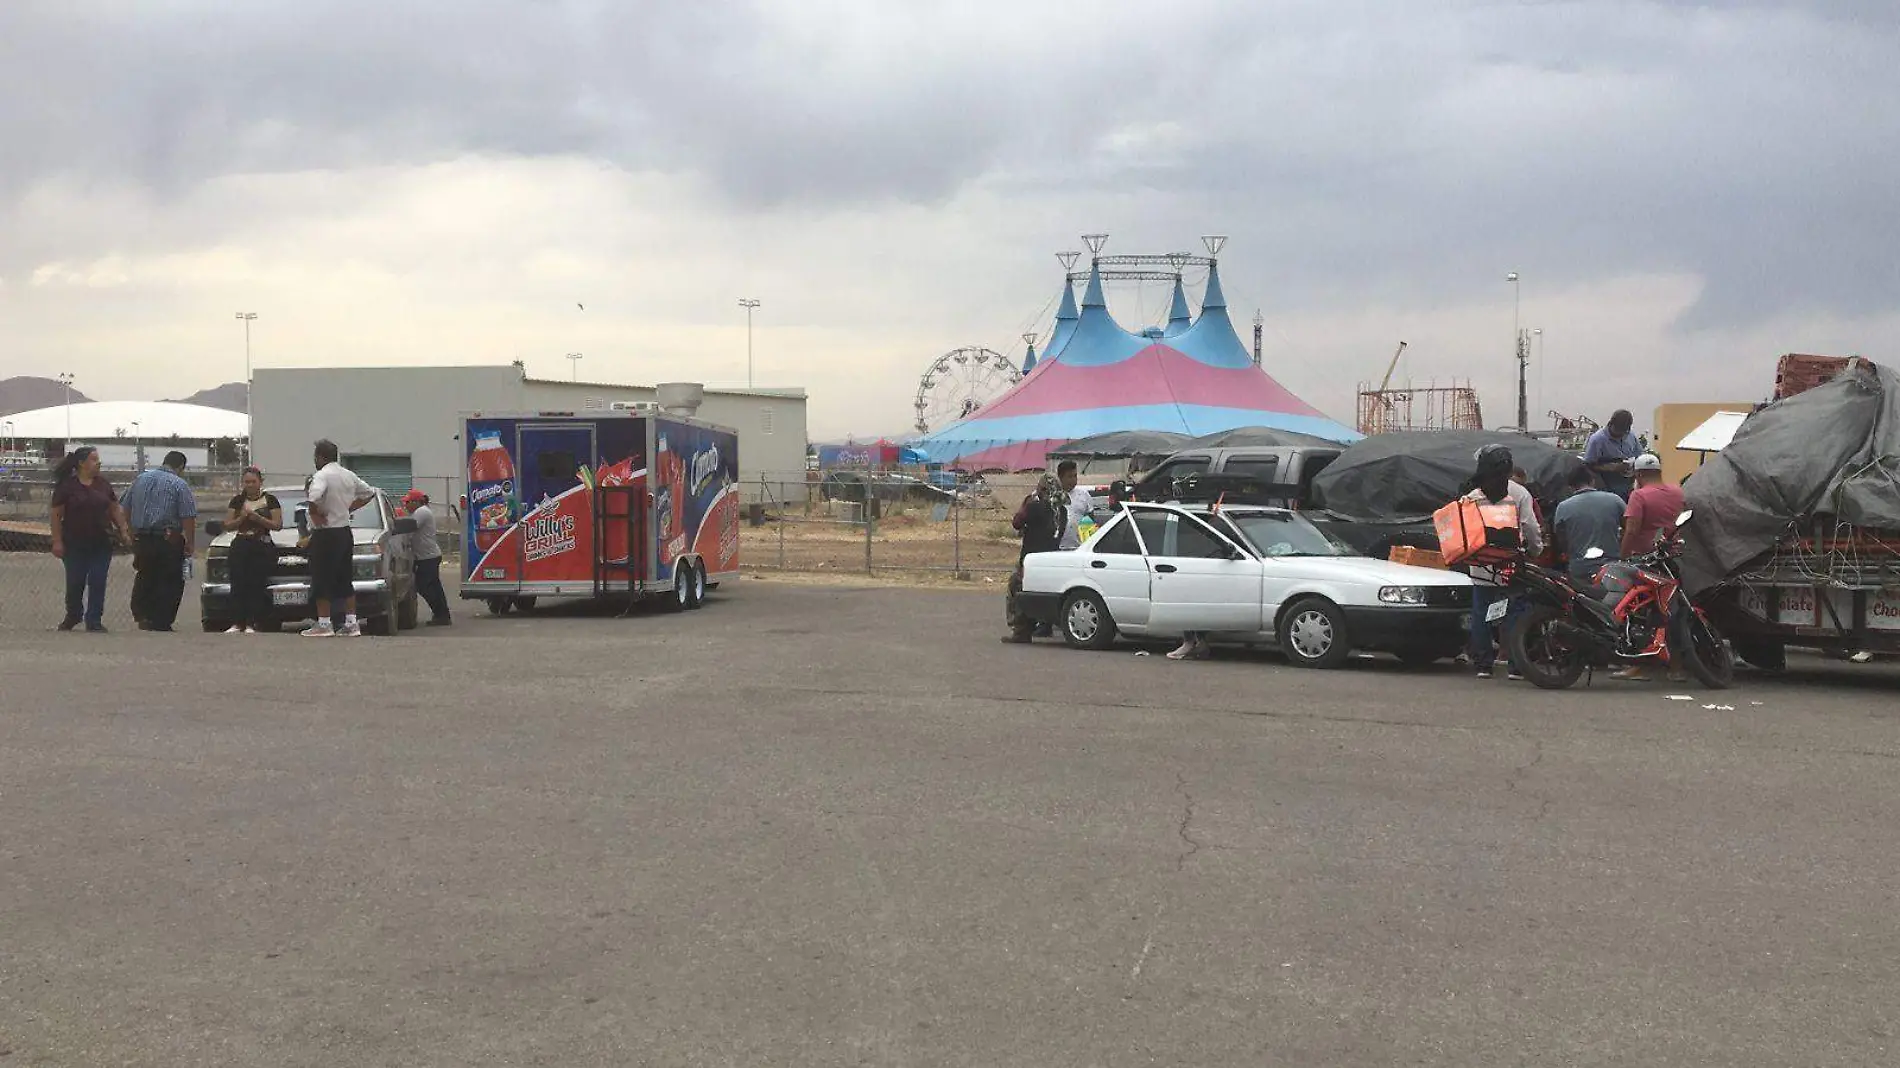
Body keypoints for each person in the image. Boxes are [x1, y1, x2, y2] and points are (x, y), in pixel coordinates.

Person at [1462, 444, 1543, 680]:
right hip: (1511, 564)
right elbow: (1530, 526)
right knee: (1517, 612)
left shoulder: (1472, 495)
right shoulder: (1519, 493)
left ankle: (1483, 665)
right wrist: (1536, 550)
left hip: (1481, 566)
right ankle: (1516, 666)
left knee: (1481, 613)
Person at [49, 446, 131, 632]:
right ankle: (73, 614)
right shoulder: (67, 486)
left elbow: (114, 508)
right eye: (94, 459)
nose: (98, 463)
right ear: (81, 463)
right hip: (74, 543)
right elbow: (55, 515)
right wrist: (57, 541)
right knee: (75, 581)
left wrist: (124, 530)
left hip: (101, 542)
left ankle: (94, 619)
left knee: (98, 580)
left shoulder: (103, 485)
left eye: (98, 459)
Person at [303, 439, 376, 638]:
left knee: (321, 577)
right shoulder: (348, 475)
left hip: (326, 532)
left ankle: (324, 623)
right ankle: (351, 623)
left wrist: (315, 514)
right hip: (344, 531)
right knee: (345, 578)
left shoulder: (322, 475)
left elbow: (313, 497)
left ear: (320, 457)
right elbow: (369, 493)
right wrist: (349, 507)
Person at [120, 450, 198, 632]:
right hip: (168, 538)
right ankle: (161, 620)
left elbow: (125, 507)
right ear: (180, 467)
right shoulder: (179, 484)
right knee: (170, 579)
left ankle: (143, 614)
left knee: (145, 575)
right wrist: (190, 542)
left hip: (143, 538)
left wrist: (130, 532)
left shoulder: (140, 480)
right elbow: (187, 516)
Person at [1001, 473, 1064, 644]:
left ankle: (1021, 631)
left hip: (1031, 558)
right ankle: (1043, 625)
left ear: (1042, 489)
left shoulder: (1035, 507)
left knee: (1017, 590)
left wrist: (1027, 503)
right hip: (1051, 559)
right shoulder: (1062, 511)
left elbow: (1017, 522)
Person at [222, 467, 282, 634]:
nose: (250, 485)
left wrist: (258, 518)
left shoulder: (270, 500)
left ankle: (253, 622)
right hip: (241, 543)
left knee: (256, 584)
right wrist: (241, 518)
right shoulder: (237, 501)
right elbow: (227, 525)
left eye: (253, 482)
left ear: (260, 482)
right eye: (247, 482)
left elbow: (277, 525)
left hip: (261, 545)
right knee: (238, 582)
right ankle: (236, 622)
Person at [1550, 466, 1625, 586]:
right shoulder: (1615, 500)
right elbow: (1629, 528)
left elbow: (1561, 539)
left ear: (1571, 486)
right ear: (1592, 481)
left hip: (1580, 568)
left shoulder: (1563, 507)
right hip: (1612, 568)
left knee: (1582, 602)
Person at [403, 488, 452, 626]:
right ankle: (442, 615)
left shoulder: (421, 512)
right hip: (428, 555)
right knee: (435, 586)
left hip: (427, 557)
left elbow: (409, 528)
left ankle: (440, 613)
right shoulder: (420, 512)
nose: (406, 506)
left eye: (407, 502)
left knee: (423, 585)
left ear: (416, 502)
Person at [1621, 454, 1686, 559]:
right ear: (1659, 472)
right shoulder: (1677, 492)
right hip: (1672, 553)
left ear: (1638, 474)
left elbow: (1632, 531)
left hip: (1647, 557)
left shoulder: (1639, 495)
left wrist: (1622, 556)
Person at [1584, 410, 1642, 499]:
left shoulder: (1631, 436)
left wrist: (1633, 466)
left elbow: (1640, 455)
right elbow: (1588, 465)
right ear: (1610, 424)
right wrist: (1611, 467)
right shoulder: (1597, 439)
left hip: (1629, 485)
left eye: (1624, 432)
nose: (1621, 435)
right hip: (1607, 488)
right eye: (1618, 431)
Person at [1056, 460, 1093, 550]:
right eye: (1069, 476)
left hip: (1078, 549)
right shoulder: (1051, 495)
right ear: (1060, 477)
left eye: (1075, 476)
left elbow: (1089, 522)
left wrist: (1087, 545)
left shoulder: (1084, 495)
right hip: (1055, 549)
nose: (1073, 479)